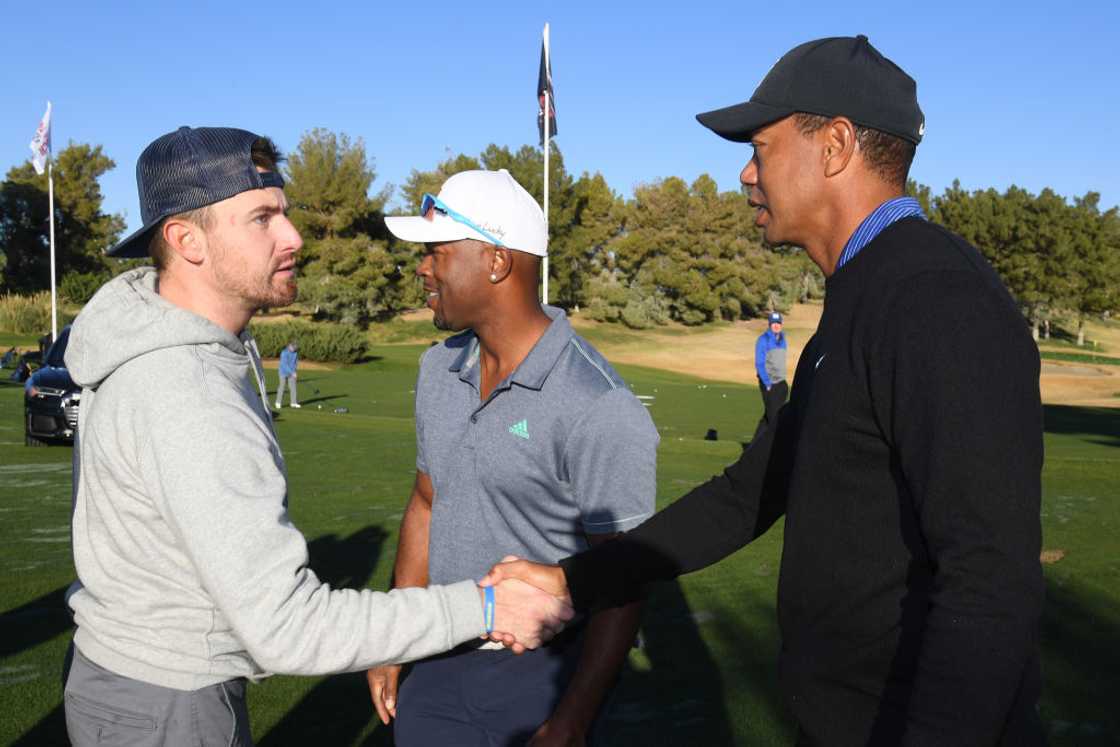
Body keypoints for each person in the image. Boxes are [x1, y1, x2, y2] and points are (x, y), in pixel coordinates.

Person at [484, 36, 1044, 746]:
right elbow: (749, 493)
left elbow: (990, 580)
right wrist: (572, 581)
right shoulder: (861, 297)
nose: (747, 175)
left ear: (835, 145)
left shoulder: (936, 299)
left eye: (761, 148)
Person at [62, 127, 571, 746]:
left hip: (128, 681)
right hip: (169, 704)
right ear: (185, 239)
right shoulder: (186, 389)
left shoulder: (161, 345)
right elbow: (287, 627)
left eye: (286, 212)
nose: (293, 236)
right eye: (262, 218)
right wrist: (488, 608)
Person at [368, 169, 659, 746]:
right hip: (437, 654)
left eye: (437, 252)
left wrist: (571, 719)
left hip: (545, 677)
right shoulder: (436, 370)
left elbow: (626, 580)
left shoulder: (598, 402)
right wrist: (394, 638)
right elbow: (427, 504)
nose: (422, 269)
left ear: (497, 261)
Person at [753, 310, 787, 439]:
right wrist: (767, 382)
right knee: (774, 418)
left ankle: (754, 446)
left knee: (768, 417)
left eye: (778, 323)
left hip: (780, 383)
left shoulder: (782, 339)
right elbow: (759, 363)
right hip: (769, 383)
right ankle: (772, 447)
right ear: (769, 324)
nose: (776, 325)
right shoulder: (763, 339)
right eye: (773, 323)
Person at [275, 340, 300, 408]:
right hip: (283, 372)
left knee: (293, 387)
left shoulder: (295, 353)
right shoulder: (284, 353)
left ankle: (293, 403)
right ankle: (278, 402)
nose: (294, 349)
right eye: (293, 348)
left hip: (291, 373)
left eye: (295, 348)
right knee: (282, 387)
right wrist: (292, 372)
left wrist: (295, 371)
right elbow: (284, 365)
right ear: (289, 346)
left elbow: (295, 363)